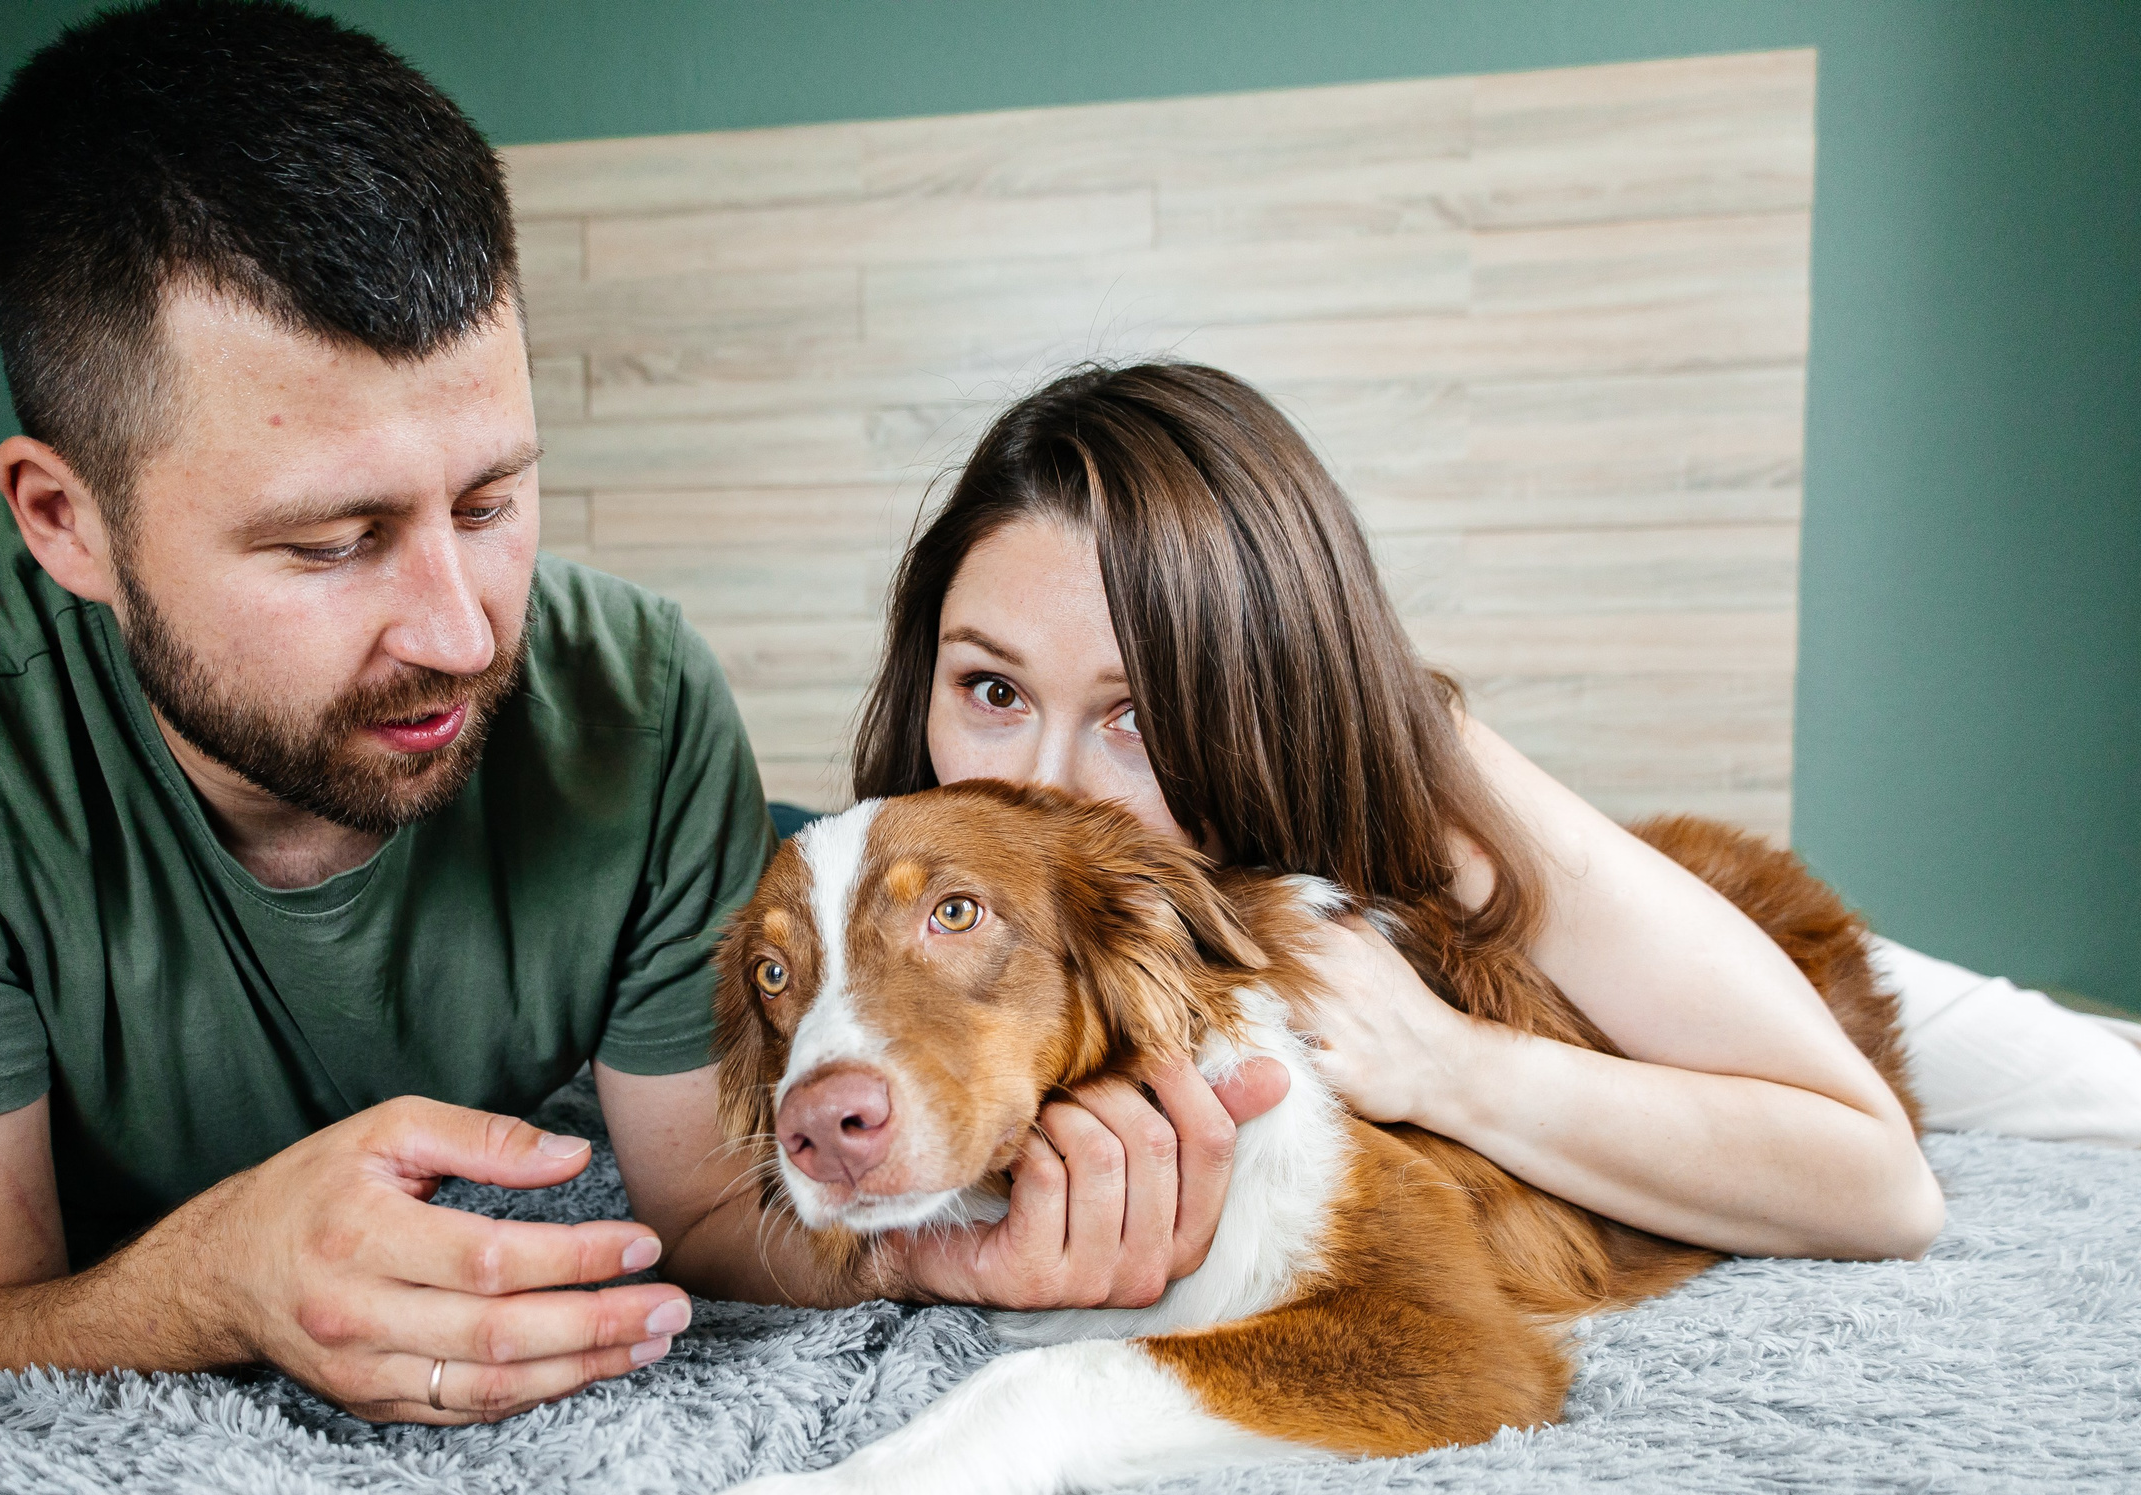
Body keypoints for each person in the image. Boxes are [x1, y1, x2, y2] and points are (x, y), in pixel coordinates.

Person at [0, 3, 1278, 1427]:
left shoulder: (637, 693)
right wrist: (212, 1284)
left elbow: (725, 1214)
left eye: (494, 496)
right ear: (65, 523)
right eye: (330, 540)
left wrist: (955, 1245)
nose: (461, 628)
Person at [849, 359, 2116, 1261]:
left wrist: (1447, 1067)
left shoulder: (1424, 773)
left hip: (1704, 950)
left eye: (1139, 716)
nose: (1040, 789)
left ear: (1264, 699)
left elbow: (1879, 1184)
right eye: (992, 686)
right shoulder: (898, 854)